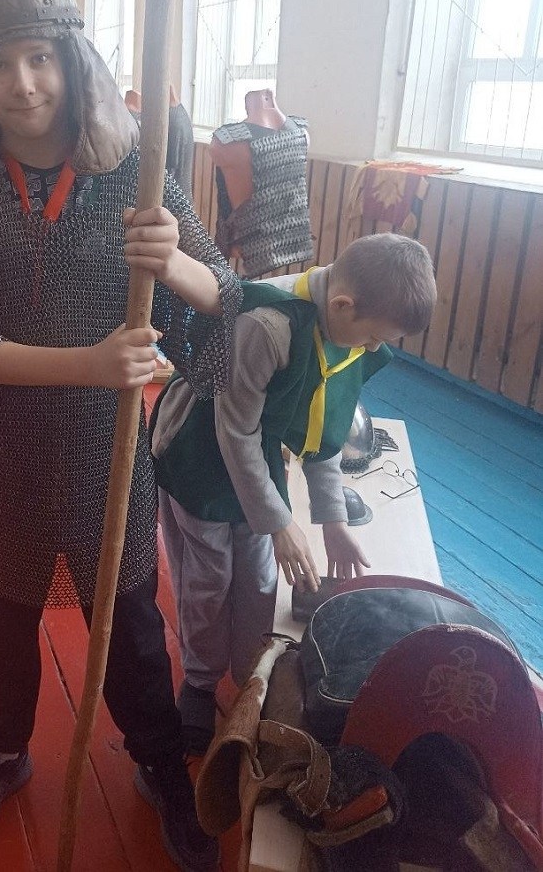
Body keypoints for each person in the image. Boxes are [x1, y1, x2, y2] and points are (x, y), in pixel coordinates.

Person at [0, 0, 241, 872]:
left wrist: (173, 259)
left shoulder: (135, 172)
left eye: (39, 58)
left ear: (71, 59)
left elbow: (222, 293)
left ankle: (161, 765)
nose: (22, 84)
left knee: (133, 632)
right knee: (4, 632)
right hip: (8, 457)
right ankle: (1, 755)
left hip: (109, 458)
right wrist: (92, 365)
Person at [150, 233, 437, 754]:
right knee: (208, 581)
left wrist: (333, 522)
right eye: (375, 336)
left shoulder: (347, 331)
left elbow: (323, 430)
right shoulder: (269, 325)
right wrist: (281, 523)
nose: (376, 347)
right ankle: (200, 681)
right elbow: (234, 431)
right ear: (344, 306)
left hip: (256, 458)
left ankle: (249, 675)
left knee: (259, 577)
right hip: (199, 456)